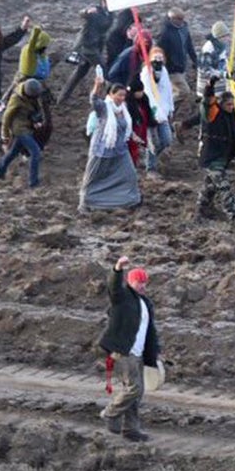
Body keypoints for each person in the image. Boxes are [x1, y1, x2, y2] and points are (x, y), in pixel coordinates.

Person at [98, 256, 158, 441]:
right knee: (134, 388)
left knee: (136, 392)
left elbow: (150, 331)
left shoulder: (145, 304)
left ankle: (131, 429)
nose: (142, 285)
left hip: (138, 353)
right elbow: (113, 288)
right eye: (138, 282)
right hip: (124, 351)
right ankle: (109, 413)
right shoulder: (123, 297)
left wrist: (154, 354)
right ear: (130, 282)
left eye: (144, 282)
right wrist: (117, 269)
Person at [79, 77, 142, 210]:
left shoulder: (123, 110)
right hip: (103, 149)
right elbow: (94, 100)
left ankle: (129, 200)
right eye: (119, 95)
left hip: (120, 149)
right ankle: (87, 202)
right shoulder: (104, 107)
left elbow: (125, 127)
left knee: (130, 175)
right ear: (111, 94)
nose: (121, 98)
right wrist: (97, 85)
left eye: (124, 95)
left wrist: (134, 136)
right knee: (93, 176)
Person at [190, 78, 235, 220]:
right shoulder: (213, 114)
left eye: (233, 104)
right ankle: (233, 213)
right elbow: (208, 103)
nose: (231, 107)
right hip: (212, 156)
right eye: (228, 104)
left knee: (210, 185)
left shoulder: (233, 116)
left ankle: (203, 208)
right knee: (223, 186)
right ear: (221, 104)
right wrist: (210, 87)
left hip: (223, 156)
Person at [0, 78, 49, 187]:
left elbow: (35, 109)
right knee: (35, 152)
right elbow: (6, 118)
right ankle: (33, 183)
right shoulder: (16, 99)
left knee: (13, 152)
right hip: (20, 129)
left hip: (28, 127)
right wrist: (5, 136)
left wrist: (36, 121)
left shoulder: (32, 95)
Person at [58, 5, 114, 104]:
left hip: (94, 46)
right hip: (88, 47)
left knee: (80, 72)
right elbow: (82, 14)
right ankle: (111, 96)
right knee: (103, 70)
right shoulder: (96, 10)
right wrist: (87, 11)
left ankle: (62, 98)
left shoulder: (110, 13)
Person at [155, 10, 195, 95]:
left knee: (175, 91)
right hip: (172, 69)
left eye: (183, 19)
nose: (182, 21)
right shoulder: (165, 33)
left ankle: (171, 106)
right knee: (184, 91)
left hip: (182, 66)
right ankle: (169, 106)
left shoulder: (184, 28)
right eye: (179, 19)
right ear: (172, 19)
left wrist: (195, 60)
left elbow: (189, 45)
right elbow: (160, 51)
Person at [197, 21, 230, 86]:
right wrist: (222, 74)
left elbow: (222, 57)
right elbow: (206, 69)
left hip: (219, 74)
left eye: (227, 35)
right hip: (209, 79)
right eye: (225, 36)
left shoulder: (221, 44)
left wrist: (226, 67)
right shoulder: (209, 49)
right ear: (218, 37)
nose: (228, 38)